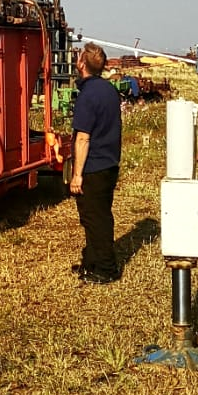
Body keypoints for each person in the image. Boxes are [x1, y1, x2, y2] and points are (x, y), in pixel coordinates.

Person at [69, 42, 122, 283]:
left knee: (95, 218)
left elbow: (83, 138)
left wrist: (77, 174)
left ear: (81, 64)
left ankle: (106, 269)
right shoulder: (109, 91)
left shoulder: (87, 96)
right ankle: (91, 261)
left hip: (93, 167)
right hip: (110, 163)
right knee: (97, 215)